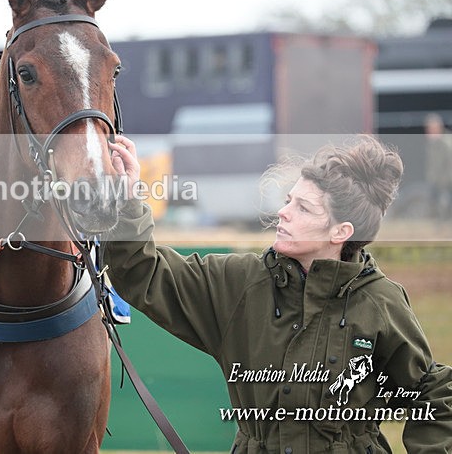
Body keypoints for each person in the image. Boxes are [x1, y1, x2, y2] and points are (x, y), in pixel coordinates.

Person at [105, 134, 452, 453]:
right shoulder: (240, 283)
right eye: (289, 201)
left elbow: (433, 391)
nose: (283, 213)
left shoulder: (380, 301)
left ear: (340, 231)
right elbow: (141, 270)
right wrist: (126, 198)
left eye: (303, 208)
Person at [424, 113, 452, 221]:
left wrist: (444, 181)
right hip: (436, 181)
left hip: (446, 182)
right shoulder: (432, 143)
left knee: (446, 204)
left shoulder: (446, 143)